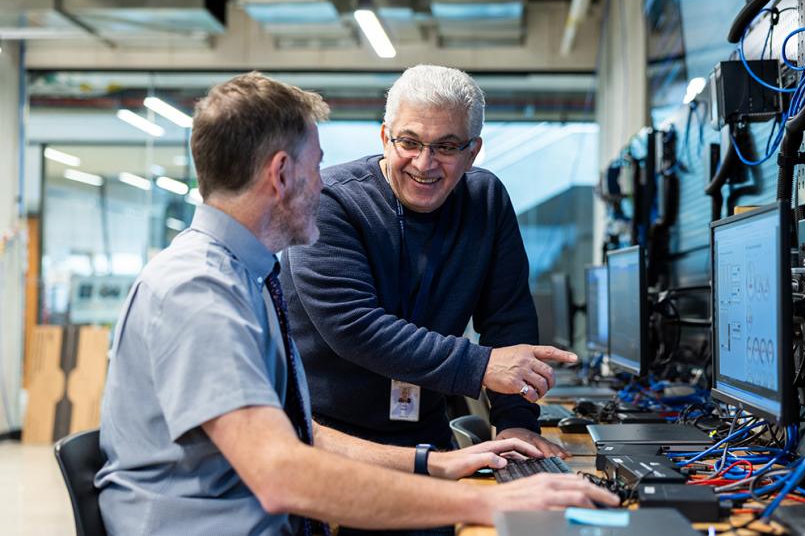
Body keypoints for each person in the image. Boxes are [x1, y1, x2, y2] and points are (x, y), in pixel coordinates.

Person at [94, 72, 617, 535]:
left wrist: (432, 465)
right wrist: (488, 502)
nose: (326, 182)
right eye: (317, 165)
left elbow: (302, 437)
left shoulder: (240, 277)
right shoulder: (200, 293)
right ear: (282, 174)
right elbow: (282, 473)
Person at [281, 64, 571, 460]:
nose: (424, 163)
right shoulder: (330, 202)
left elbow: (508, 319)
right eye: (410, 142)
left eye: (447, 147)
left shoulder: (485, 200)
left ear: (473, 151)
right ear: (386, 138)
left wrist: (516, 421)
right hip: (330, 440)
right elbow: (354, 326)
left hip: (425, 434)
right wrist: (481, 365)